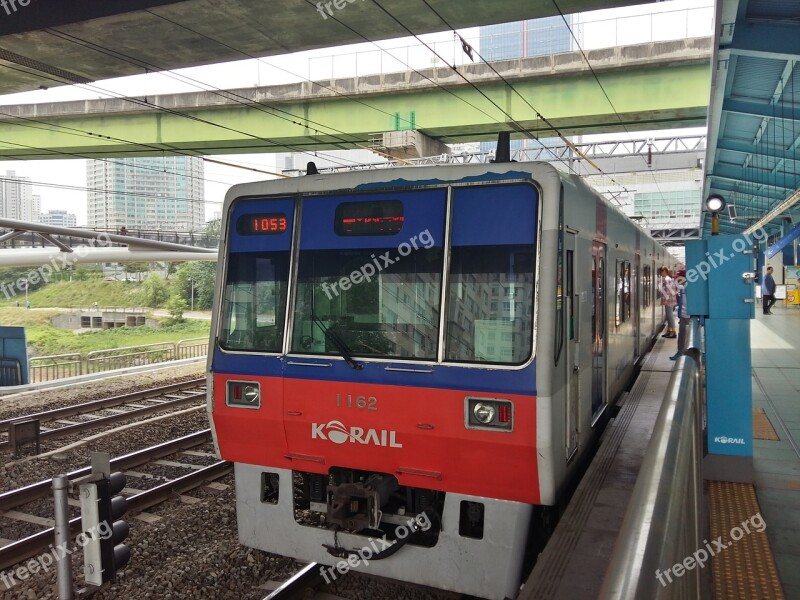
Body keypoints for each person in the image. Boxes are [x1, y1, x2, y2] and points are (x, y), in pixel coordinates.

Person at [671, 270, 689, 360]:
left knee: (686, 335)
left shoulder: (689, 287)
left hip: (689, 316)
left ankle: (684, 353)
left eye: (678, 278)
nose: (677, 280)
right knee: (682, 335)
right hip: (683, 315)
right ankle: (680, 352)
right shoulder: (683, 287)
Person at [659, 266, 677, 338]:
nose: (660, 274)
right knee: (668, 316)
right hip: (670, 300)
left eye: (661, 272)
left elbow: (669, 291)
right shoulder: (669, 279)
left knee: (670, 316)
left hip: (668, 301)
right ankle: (669, 331)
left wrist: (666, 300)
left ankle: (673, 331)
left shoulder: (667, 279)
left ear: (665, 272)